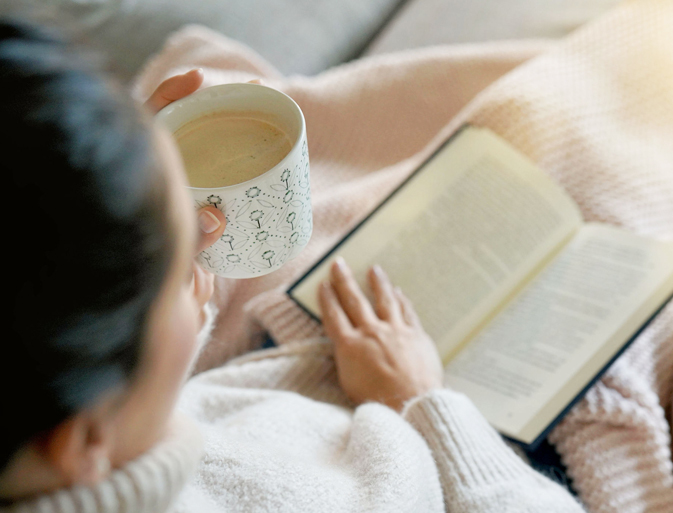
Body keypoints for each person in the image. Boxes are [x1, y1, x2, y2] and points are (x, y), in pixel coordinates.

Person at [1, 18, 584, 512]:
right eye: (174, 280)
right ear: (83, 439)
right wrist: (419, 402)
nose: (193, 285)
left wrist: (131, 191)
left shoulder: (55, 445)